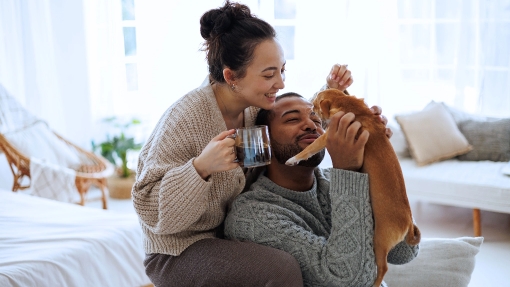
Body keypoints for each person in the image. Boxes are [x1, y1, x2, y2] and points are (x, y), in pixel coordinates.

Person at [132, 1, 357, 287]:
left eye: (282, 70)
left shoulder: (253, 107)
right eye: (268, 74)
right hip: (180, 249)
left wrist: (330, 92)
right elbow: (149, 209)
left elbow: (289, 128)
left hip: (233, 230)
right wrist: (200, 169)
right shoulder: (184, 119)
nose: (280, 82)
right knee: (282, 268)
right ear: (231, 77)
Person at [224, 93, 420, 287]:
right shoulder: (252, 215)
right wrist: (347, 172)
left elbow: (404, 251)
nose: (311, 125)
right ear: (263, 139)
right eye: (292, 119)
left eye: (316, 119)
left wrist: (375, 156)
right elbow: (346, 278)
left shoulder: (335, 180)